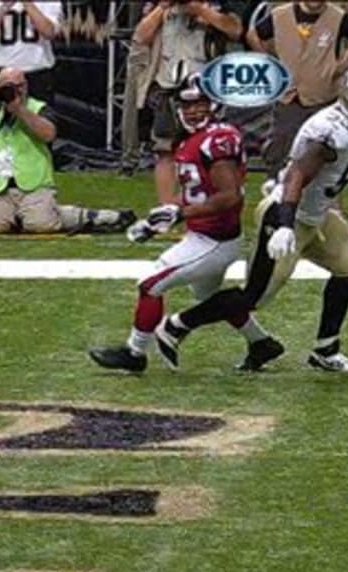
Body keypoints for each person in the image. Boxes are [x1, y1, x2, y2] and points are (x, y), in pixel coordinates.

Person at [152, 65, 348, 374]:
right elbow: (297, 176)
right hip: (288, 212)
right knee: (253, 296)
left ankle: (326, 349)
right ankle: (176, 326)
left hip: (317, 214)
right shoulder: (332, 131)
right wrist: (284, 226)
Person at [88, 75, 280, 374]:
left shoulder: (218, 140)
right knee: (209, 299)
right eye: (187, 105)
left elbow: (229, 197)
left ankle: (135, 352)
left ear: (214, 104)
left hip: (214, 240)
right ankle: (261, 343)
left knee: (150, 286)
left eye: (199, 104)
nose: (192, 111)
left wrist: (182, 214)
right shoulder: (193, 138)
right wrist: (160, 217)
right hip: (206, 236)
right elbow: (195, 190)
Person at [0, 67, 135, 235]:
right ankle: (20, 214)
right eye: (9, 87)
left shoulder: (38, 108)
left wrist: (19, 110)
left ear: (27, 86)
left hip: (33, 184)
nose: (16, 91)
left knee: (41, 226)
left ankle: (84, 216)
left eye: (20, 86)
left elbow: (49, 134)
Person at [127, 1, 242, 199]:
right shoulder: (159, 7)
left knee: (212, 147)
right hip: (168, 85)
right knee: (165, 149)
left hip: (207, 86)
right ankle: (167, 207)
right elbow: (140, 36)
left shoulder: (219, 5)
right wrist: (162, 7)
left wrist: (200, 10)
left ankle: (211, 201)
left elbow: (235, 30)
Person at [249, 1, 348, 179]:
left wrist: (340, 67)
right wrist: (271, 62)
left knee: (327, 150)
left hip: (324, 95)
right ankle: (274, 192)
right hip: (288, 96)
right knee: (281, 145)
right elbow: (254, 35)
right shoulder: (279, 15)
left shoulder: (339, 17)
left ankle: (328, 201)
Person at [0, 0, 61, 98]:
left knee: (37, 112)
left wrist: (27, 4)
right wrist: (4, 6)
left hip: (37, 73)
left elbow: (49, 32)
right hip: (3, 74)